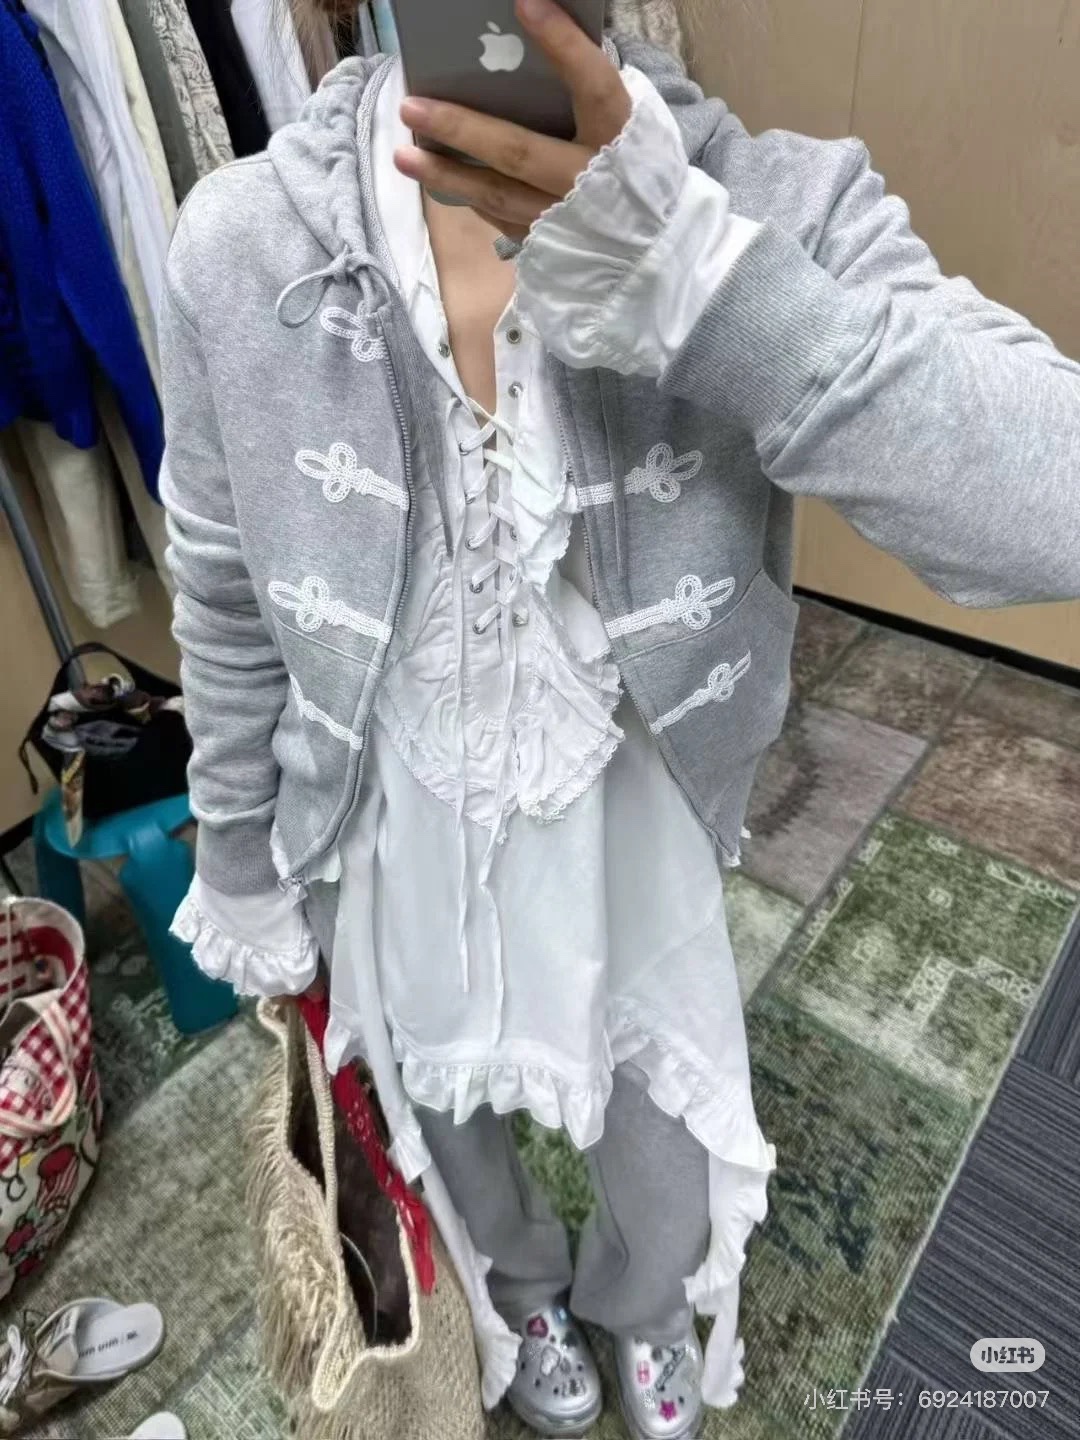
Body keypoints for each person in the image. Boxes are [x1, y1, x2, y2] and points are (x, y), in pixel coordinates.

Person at [161, 0, 1080, 1435]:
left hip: (633, 802)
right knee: (444, 1106)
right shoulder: (238, 242)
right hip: (385, 805)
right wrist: (235, 847)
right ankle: (520, 1290)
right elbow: (222, 578)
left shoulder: (766, 196)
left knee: (656, 1109)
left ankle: (645, 1304)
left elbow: (1055, 502)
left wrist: (705, 283)